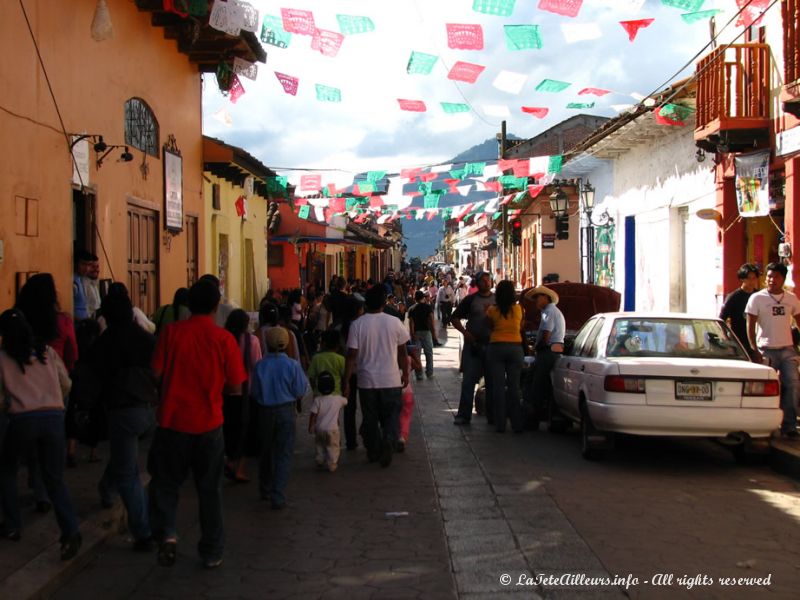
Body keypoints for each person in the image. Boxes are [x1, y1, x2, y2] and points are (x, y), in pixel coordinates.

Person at [148, 279, 247, 569]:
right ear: (217, 306)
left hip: (172, 421)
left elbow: (154, 374)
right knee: (209, 490)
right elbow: (235, 387)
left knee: (166, 484)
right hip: (209, 424)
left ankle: (167, 534)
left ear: (189, 305)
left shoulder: (171, 333)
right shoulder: (223, 339)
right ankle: (211, 550)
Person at [0, 309, 82, 559]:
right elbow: (66, 384)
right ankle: (70, 531)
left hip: (22, 419)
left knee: (7, 469)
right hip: (54, 418)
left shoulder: (3, 357)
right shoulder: (47, 352)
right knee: (55, 479)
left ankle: (13, 525)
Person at [89, 292, 158, 551]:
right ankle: (106, 490)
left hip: (123, 412)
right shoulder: (146, 339)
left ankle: (143, 531)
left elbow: (93, 375)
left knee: (128, 472)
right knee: (123, 455)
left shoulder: (106, 342)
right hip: (149, 410)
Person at [343, 285, 410, 468]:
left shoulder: (357, 324)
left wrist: (347, 380)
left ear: (366, 304)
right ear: (383, 303)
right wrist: (405, 373)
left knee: (370, 418)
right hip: (391, 379)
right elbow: (403, 352)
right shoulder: (394, 322)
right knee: (391, 415)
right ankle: (389, 439)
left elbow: (351, 356)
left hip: (367, 381)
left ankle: (373, 450)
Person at [251, 327, 310, 509]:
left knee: (266, 451)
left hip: (265, 411)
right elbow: (300, 390)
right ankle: (278, 494)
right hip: (285, 410)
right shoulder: (292, 365)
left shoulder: (260, 365)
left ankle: (265, 487)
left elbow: (254, 392)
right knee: (283, 452)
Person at [745, 262, 800, 437]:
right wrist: (754, 349)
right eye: (769, 276)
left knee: (793, 384)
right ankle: (761, 425)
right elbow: (750, 324)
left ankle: (789, 426)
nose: (771, 280)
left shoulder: (791, 298)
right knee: (763, 388)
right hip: (765, 350)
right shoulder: (757, 298)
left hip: (787, 350)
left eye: (775, 276)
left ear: (783, 279)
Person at [450, 272, 496, 426]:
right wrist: (465, 333)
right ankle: (464, 415)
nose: (486, 283)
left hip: (492, 345)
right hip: (473, 346)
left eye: (488, 280)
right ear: (477, 283)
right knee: (468, 381)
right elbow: (454, 317)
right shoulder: (471, 300)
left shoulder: (497, 300)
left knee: (492, 381)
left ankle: (492, 415)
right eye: (483, 281)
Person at [222, 309, 262, 483]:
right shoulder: (251, 341)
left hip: (226, 391)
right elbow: (257, 365)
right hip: (246, 391)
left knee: (230, 429)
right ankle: (239, 468)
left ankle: (230, 461)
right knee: (247, 430)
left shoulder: (224, 339)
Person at [524, 285, 566, 428]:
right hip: (552, 351)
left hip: (548, 352)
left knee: (536, 384)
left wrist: (536, 347)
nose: (536, 301)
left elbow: (546, 335)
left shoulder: (549, 311)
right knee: (539, 383)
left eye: (538, 297)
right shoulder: (550, 311)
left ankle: (533, 418)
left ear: (546, 298)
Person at [486, 281, 525, 433]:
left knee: (498, 387)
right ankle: (516, 423)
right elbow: (520, 327)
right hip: (515, 348)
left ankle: (500, 423)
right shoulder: (519, 309)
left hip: (496, 347)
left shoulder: (492, 310)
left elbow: (490, 326)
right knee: (514, 387)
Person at [308, 371, 348, 472]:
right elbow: (346, 400)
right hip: (333, 429)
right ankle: (332, 463)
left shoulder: (318, 400)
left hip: (320, 429)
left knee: (320, 445)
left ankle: (320, 459)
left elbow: (313, 414)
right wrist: (347, 388)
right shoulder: (337, 399)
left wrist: (311, 425)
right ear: (333, 386)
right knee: (333, 447)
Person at [720, 263, 761, 360]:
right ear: (742, 279)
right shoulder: (733, 297)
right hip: (740, 341)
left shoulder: (759, 296)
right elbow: (721, 320)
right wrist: (727, 339)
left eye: (754, 278)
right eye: (748, 278)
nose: (752, 281)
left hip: (758, 340)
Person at [408, 291, 438, 381]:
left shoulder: (411, 309)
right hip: (426, 332)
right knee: (429, 353)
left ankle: (419, 375)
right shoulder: (428, 307)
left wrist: (412, 334)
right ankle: (429, 373)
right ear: (423, 298)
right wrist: (434, 334)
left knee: (417, 355)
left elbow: (411, 323)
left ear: (415, 298)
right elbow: (431, 321)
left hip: (416, 333)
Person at [308, 329, 346, 397]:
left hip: (319, 394)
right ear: (338, 345)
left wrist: (315, 390)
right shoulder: (341, 359)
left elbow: (311, 378)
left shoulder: (316, 358)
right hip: (336, 395)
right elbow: (344, 379)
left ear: (323, 344)